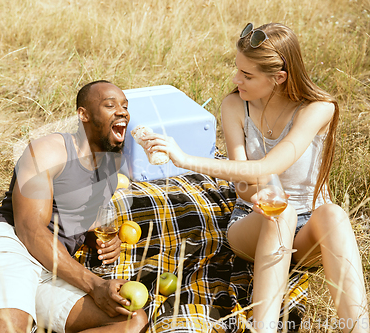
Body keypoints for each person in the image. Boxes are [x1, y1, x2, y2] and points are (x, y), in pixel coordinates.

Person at [141, 23, 369, 333]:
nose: (236, 80)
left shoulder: (319, 109)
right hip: (253, 224)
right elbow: (244, 186)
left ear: (279, 78)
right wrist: (256, 196)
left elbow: (271, 164)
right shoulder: (235, 105)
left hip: (309, 235)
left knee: (334, 214)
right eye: (238, 70)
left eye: (247, 76)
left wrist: (185, 160)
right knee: (281, 211)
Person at [0, 80, 148, 333]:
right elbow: (29, 229)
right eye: (110, 105)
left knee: (130, 321)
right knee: (8, 328)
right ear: (83, 114)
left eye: (125, 106)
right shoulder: (48, 150)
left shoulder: (110, 169)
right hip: (13, 247)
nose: (122, 111)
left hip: (54, 267)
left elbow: (79, 222)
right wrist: (94, 284)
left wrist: (100, 240)